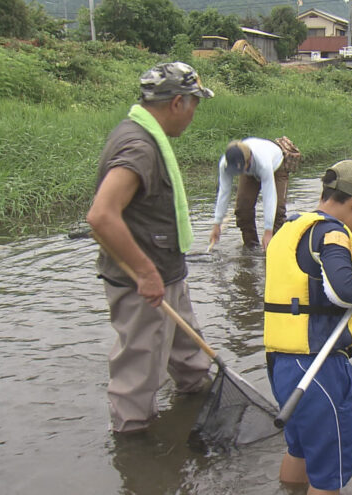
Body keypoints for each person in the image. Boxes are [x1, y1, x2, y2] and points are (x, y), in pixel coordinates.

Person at [86, 62, 214, 433]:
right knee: (138, 378)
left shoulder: (144, 133)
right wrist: (145, 273)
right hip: (143, 282)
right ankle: (136, 455)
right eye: (195, 105)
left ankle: (196, 400)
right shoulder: (140, 146)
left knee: (191, 358)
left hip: (167, 272)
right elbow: (101, 215)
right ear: (178, 103)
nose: (193, 115)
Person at [264, 160, 352, 493]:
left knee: (300, 449)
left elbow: (309, 306)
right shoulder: (333, 232)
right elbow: (343, 290)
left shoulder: (291, 229)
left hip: (283, 365)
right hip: (316, 370)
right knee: (331, 470)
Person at [210, 137, 291, 252]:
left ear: (248, 161)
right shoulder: (225, 163)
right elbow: (224, 192)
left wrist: (268, 230)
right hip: (249, 170)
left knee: (278, 211)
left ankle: (274, 248)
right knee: (242, 209)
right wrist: (217, 224)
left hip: (276, 167)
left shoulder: (263, 163)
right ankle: (251, 249)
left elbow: (269, 196)